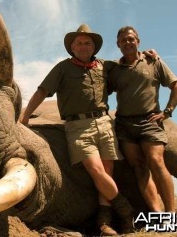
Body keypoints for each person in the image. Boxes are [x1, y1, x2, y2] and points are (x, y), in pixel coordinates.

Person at [20, 24, 134, 236]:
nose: (83, 46)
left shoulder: (104, 66)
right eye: (79, 43)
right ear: (72, 47)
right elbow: (43, 90)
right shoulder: (62, 68)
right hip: (78, 127)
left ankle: (104, 222)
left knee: (107, 172)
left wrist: (145, 55)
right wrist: (25, 116)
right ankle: (126, 212)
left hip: (105, 123)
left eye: (87, 43)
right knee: (96, 170)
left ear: (94, 47)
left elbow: (127, 64)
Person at [108, 26, 177, 216]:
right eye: (123, 40)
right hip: (124, 124)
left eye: (131, 39)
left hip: (149, 121)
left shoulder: (153, 61)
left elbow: (175, 85)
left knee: (156, 161)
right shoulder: (114, 69)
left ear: (138, 41)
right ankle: (157, 214)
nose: (127, 43)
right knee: (139, 167)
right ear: (118, 45)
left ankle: (171, 215)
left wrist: (167, 112)